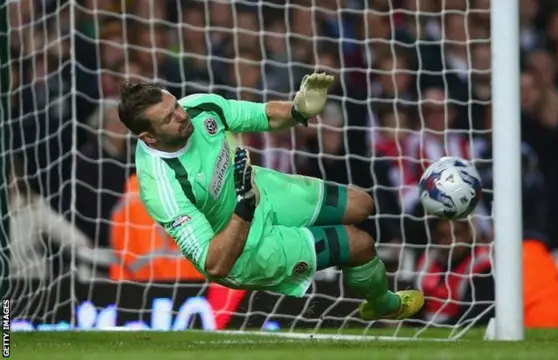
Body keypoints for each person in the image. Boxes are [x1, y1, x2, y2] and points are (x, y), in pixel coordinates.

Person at [116, 73, 424, 320]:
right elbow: (215, 264)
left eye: (176, 106)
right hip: (245, 248)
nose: (182, 116)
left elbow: (262, 115)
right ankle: (384, 304)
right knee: (359, 243)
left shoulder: (199, 108)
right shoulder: (161, 187)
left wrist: (297, 109)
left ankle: (346, 267)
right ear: (149, 137)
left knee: (362, 204)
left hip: (260, 192)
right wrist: (243, 209)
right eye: (169, 117)